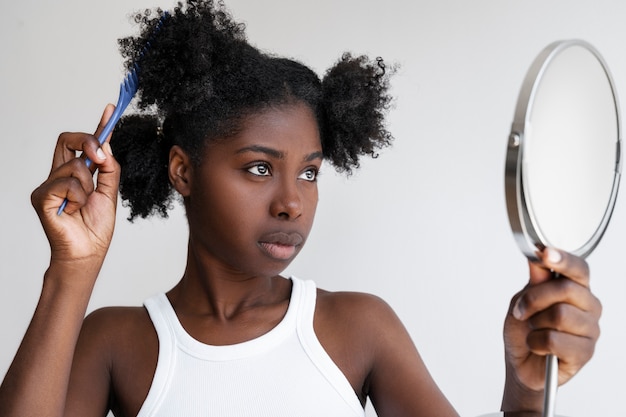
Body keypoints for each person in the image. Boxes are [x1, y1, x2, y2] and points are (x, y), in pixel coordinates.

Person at [0, 1, 601, 416]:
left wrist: (526, 392)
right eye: (259, 168)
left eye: (309, 172)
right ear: (183, 171)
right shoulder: (117, 341)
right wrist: (71, 270)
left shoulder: (357, 329)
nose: (293, 202)